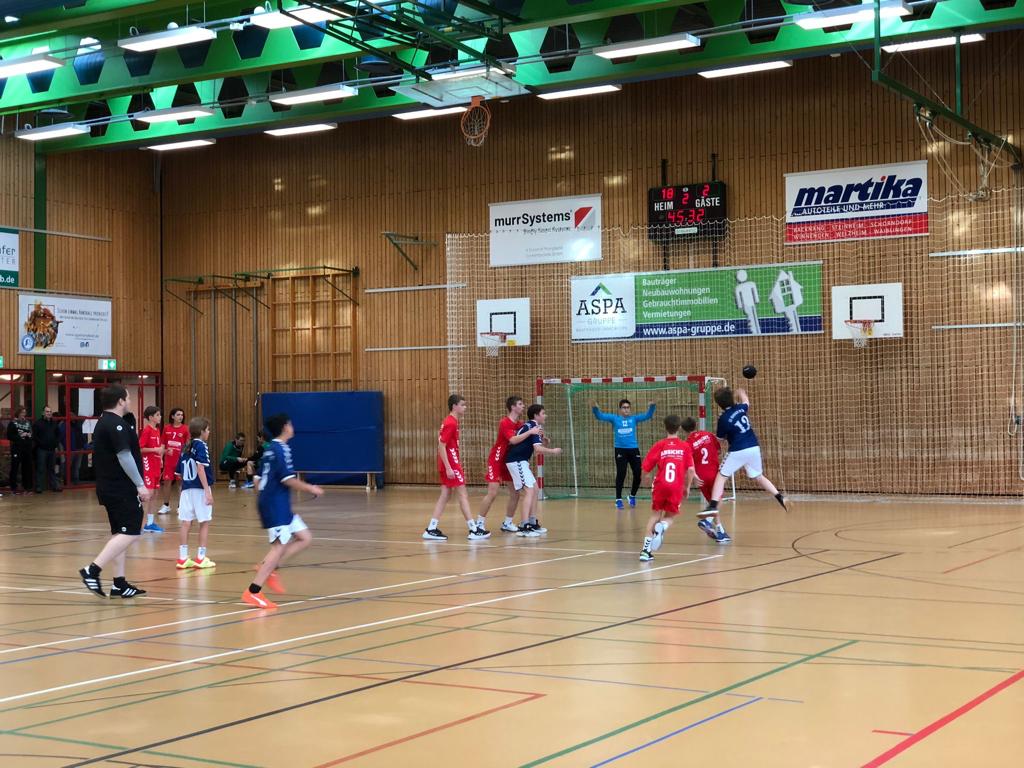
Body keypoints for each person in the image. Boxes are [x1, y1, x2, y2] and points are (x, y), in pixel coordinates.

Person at [243, 413, 323, 609]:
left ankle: (270, 567)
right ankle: (253, 591)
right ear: (285, 427)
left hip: (276, 503)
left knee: (304, 537)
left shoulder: (269, 449)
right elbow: (287, 479)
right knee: (278, 547)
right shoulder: (281, 449)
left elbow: (257, 479)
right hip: (275, 504)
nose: (292, 426)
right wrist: (310, 488)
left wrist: (264, 495)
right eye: (290, 424)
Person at [77, 384, 151, 598]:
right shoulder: (115, 424)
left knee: (120, 533)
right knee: (131, 531)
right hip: (120, 488)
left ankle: (119, 584)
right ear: (120, 401)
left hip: (110, 488)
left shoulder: (104, 422)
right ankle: (92, 570)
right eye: (128, 398)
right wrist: (140, 484)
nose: (130, 402)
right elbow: (124, 456)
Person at [703, 387, 787, 543]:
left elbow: (719, 439)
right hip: (753, 447)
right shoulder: (741, 408)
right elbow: (746, 400)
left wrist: (723, 435)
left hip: (738, 449)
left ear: (719, 404)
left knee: (721, 477)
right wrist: (741, 393)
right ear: (732, 398)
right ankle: (779, 496)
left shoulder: (723, 419)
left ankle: (713, 505)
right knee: (758, 476)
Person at [423, 394, 486, 541]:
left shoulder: (452, 421)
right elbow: (441, 446)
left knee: (445, 495)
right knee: (463, 494)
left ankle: (431, 528)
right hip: (451, 464)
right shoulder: (450, 423)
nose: (465, 407)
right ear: (454, 406)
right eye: (462, 405)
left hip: (450, 462)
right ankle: (473, 529)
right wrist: (448, 467)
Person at [478, 395, 541, 535]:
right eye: (520, 404)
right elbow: (512, 440)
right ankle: (479, 524)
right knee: (492, 492)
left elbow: (526, 438)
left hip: (509, 460)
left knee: (515, 493)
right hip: (497, 459)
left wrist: (539, 438)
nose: (523, 406)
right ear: (513, 407)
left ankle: (507, 522)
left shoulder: (520, 424)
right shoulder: (505, 422)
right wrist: (530, 432)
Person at [639, 415, 696, 561]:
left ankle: (645, 551)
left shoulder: (660, 445)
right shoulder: (684, 446)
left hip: (660, 484)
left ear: (665, 427)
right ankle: (663, 526)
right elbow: (691, 470)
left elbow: (645, 467)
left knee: (654, 515)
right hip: (676, 486)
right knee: (670, 516)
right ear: (679, 428)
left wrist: (644, 478)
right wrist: (687, 487)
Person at [504, 404, 562, 537]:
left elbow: (535, 447)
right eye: (543, 413)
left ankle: (532, 522)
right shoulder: (534, 427)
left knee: (535, 489)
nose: (545, 415)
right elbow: (537, 449)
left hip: (521, 461)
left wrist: (544, 442)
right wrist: (553, 451)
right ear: (536, 415)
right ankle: (524, 526)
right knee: (529, 491)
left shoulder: (531, 426)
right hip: (516, 461)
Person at [590, 398, 656, 508]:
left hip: (633, 449)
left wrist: (652, 406)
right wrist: (595, 408)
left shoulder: (634, 419)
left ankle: (632, 496)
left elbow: (647, 415)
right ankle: (618, 499)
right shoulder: (615, 418)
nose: (626, 409)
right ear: (620, 409)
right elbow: (600, 416)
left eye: (628, 407)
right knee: (621, 473)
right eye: (624, 407)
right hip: (620, 450)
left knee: (638, 474)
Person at [176, 417, 215, 569]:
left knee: (186, 523)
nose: (209, 432)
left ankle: (182, 558)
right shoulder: (201, 445)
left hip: (186, 490)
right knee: (204, 522)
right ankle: (201, 557)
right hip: (199, 489)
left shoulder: (185, 446)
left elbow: (179, 472)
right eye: (208, 430)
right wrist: (207, 491)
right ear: (202, 431)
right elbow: (200, 468)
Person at [681, 416, 724, 542]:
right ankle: (707, 521)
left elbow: (688, 465)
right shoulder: (708, 435)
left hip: (700, 477)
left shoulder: (687, 444)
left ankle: (720, 532)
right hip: (714, 473)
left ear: (683, 429)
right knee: (718, 500)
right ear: (696, 425)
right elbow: (719, 451)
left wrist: (694, 477)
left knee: (712, 504)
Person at [138, 406, 165, 533]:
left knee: (154, 494)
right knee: (147, 495)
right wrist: (154, 450)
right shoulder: (147, 430)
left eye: (160, 414)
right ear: (150, 417)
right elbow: (140, 448)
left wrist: (161, 458)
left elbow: (158, 448)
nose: (160, 417)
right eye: (157, 415)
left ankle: (150, 523)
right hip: (148, 465)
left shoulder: (157, 430)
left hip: (156, 465)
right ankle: (137, 524)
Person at [159, 407, 189, 515]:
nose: (180, 417)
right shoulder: (166, 428)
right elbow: (163, 444)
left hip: (180, 462)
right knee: (167, 482)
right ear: (172, 416)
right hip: (169, 462)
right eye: (178, 415)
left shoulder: (186, 429)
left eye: (182, 415)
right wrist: (160, 458)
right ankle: (166, 505)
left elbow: (187, 445)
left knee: (180, 483)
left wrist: (184, 456)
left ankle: (181, 506)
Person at [32, 405, 62, 493]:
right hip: (42, 450)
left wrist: (55, 443)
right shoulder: (38, 423)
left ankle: (54, 486)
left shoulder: (54, 423)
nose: (49, 413)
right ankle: (38, 487)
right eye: (47, 411)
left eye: (50, 411)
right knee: (40, 468)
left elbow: (58, 434)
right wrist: (41, 444)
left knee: (52, 469)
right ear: (43, 413)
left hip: (52, 449)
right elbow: (35, 436)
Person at [6, 407, 33, 495]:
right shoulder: (13, 423)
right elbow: (9, 436)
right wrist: (20, 436)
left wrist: (29, 435)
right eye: (22, 412)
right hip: (17, 448)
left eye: (24, 412)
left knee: (26, 468)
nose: (23, 414)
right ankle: (13, 488)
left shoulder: (28, 423)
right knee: (15, 467)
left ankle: (27, 488)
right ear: (18, 413)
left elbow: (31, 434)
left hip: (26, 448)